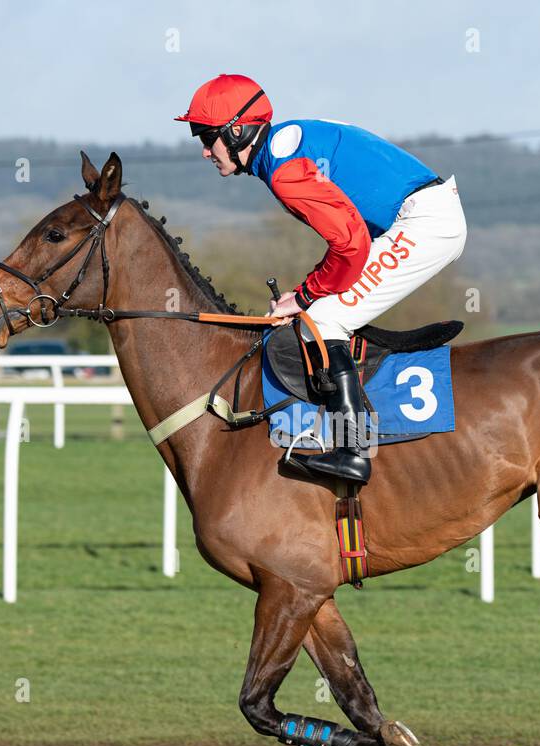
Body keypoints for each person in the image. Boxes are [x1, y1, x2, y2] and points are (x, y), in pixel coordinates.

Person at [174, 73, 468, 485]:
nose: (205, 152)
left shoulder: (283, 169)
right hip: (421, 217)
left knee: (324, 320)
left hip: (425, 224)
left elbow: (350, 245)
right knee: (322, 312)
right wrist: (306, 292)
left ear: (237, 131)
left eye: (206, 137)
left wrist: (305, 295)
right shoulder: (284, 144)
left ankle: (353, 450)